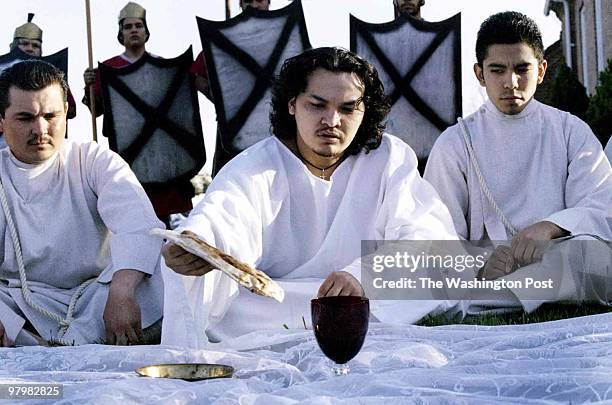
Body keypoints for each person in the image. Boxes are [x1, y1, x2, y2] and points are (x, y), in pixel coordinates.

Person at [161, 47, 459, 347]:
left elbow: (425, 234)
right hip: (278, 301)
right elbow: (222, 216)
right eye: (317, 105)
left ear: (364, 110)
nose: (332, 120)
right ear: (293, 104)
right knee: (235, 303)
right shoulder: (257, 165)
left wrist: (361, 275)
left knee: (428, 274)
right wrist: (198, 244)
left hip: (364, 292)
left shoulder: (389, 157)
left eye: (347, 108)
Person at [424, 12, 611, 306]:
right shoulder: (455, 142)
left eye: (521, 68)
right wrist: (481, 266)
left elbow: (601, 206)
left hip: (556, 257)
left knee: (594, 256)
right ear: (479, 74)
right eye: (497, 70)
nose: (510, 82)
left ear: (541, 70)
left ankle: (494, 298)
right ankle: (497, 292)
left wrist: (551, 226)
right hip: (488, 269)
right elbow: (437, 234)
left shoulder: (570, 130)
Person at [0, 60, 164, 347]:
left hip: (98, 295)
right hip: (20, 301)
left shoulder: (93, 160)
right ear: (1, 120)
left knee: (169, 269)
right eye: (25, 118)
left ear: (66, 112)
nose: (40, 129)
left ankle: (45, 344)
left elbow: (140, 227)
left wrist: (122, 292)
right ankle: (36, 344)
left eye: (51, 115)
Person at [83, 2, 197, 223]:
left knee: (164, 220)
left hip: (162, 153)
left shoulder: (164, 67)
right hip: (128, 151)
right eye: (128, 27)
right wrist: (89, 85)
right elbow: (95, 110)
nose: (134, 30)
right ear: (121, 34)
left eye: (138, 25)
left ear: (146, 32)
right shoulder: (108, 69)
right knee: (135, 215)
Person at [190, 0, 272, 175]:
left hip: (275, 131)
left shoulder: (286, 36)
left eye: (260, 0)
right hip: (233, 131)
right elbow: (197, 76)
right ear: (241, 3)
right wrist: (220, 98)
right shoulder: (224, 38)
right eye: (249, 0)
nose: (254, 5)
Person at [1, 14, 77, 149]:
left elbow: (70, 109)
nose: (30, 48)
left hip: (40, 140)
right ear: (12, 46)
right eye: (24, 44)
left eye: (35, 45)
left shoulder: (52, 77)